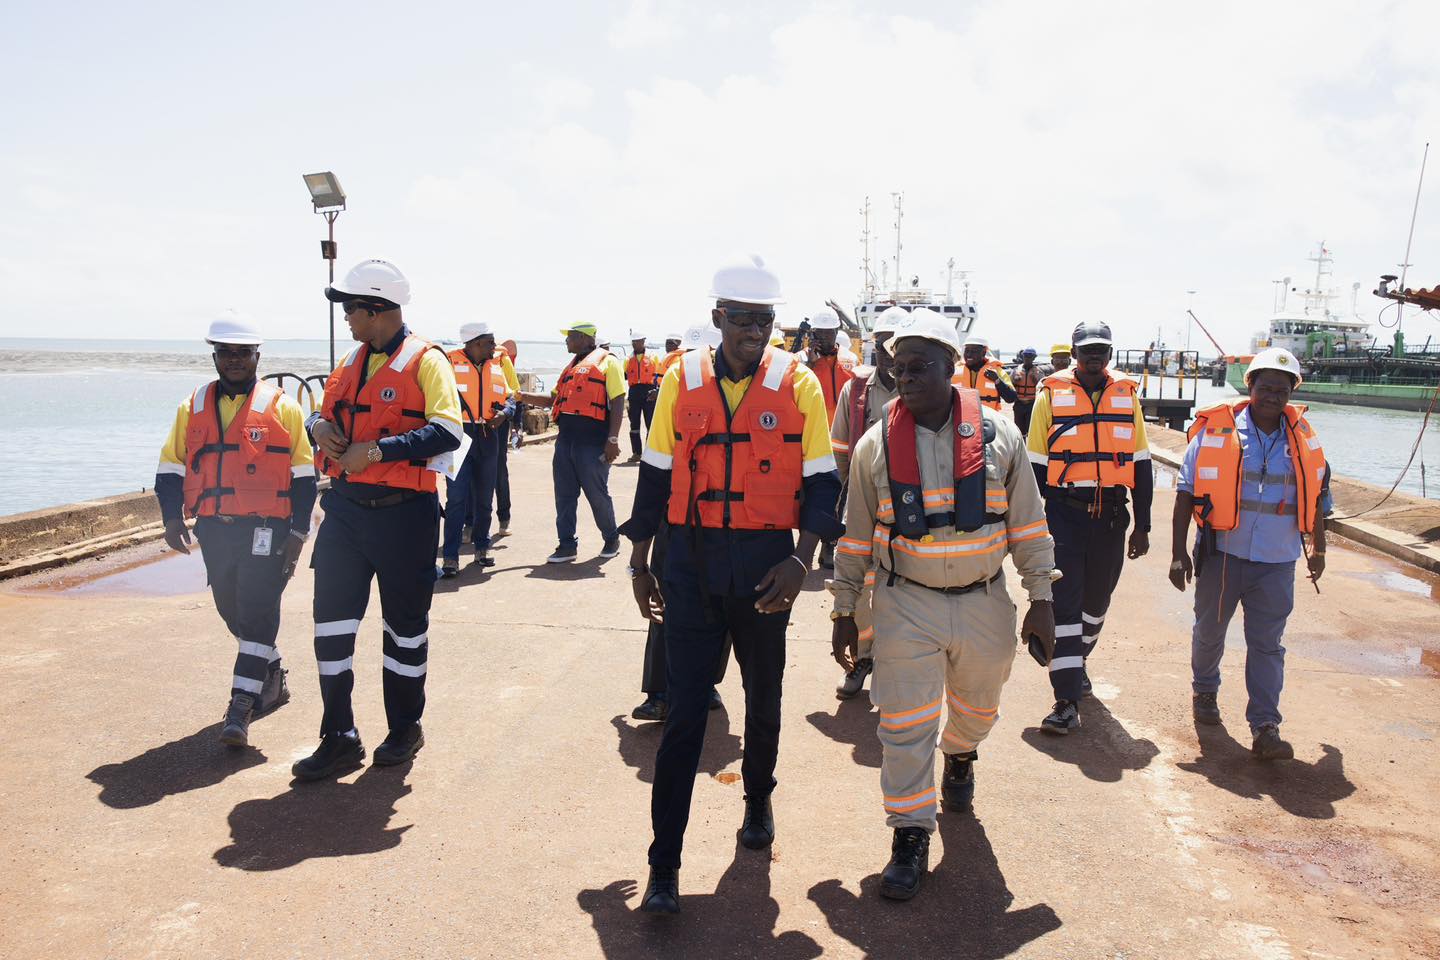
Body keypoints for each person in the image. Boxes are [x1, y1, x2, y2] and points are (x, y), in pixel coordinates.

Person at [620, 254, 843, 914]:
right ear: (718, 319)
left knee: (763, 697)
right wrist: (640, 563)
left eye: (766, 322)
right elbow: (655, 480)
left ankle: (758, 798)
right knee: (685, 713)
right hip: (689, 563)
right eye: (744, 321)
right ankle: (664, 865)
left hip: (766, 564)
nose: (756, 333)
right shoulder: (678, 381)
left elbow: (822, 484)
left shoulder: (799, 383)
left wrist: (803, 560)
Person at [830, 309, 1056, 901]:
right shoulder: (874, 448)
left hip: (984, 600)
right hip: (906, 602)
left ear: (952, 368)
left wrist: (1042, 598)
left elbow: (1029, 525)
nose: (905, 376)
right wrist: (844, 610)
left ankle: (961, 754)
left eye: (919, 366)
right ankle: (909, 835)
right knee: (903, 725)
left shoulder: (1001, 436)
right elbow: (854, 537)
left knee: (978, 710)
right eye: (896, 367)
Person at [294, 258, 463, 780]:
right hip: (345, 514)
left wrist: (377, 452)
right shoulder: (351, 359)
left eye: (351, 309)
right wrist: (317, 425)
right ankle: (339, 736)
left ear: (377, 309)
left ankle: (404, 728)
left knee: (405, 632)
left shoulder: (427, 361)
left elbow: (448, 431)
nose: (345, 318)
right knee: (330, 627)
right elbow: (321, 414)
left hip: (404, 517)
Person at [154, 312, 316, 748]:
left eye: (242, 353)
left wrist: (298, 533)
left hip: (268, 528)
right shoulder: (192, 406)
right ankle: (273, 673)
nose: (234, 361)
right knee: (233, 611)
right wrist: (172, 517)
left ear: (256, 356)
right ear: (216, 357)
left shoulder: (282, 406)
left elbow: (304, 475)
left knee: (259, 610)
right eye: (225, 353)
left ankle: (240, 705)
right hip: (215, 528)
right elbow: (170, 465)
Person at [1170, 347, 1329, 760]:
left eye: (1282, 389)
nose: (1273, 396)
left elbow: (1318, 499)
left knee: (1268, 645)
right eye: (1266, 387)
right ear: (1250, 386)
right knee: (1210, 632)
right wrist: (1177, 553)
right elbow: (1186, 492)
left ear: (1291, 393)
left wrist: (1319, 549)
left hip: (1277, 560)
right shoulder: (1215, 433)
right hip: (1224, 553)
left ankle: (1265, 725)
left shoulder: (1304, 439)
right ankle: (1205, 691)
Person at [1026, 321, 1152, 734]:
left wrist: (1143, 525)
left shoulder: (1127, 397)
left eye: (1101, 350)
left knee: (1097, 603)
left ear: (1110, 355)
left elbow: (1141, 463)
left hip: (1113, 516)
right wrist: (1032, 526)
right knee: (1065, 602)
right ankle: (1065, 699)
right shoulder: (1050, 394)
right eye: (1086, 350)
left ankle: (1075, 658)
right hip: (1065, 513)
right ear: (1076, 354)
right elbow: (1035, 467)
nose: (1093, 357)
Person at [828, 305, 905, 699]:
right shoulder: (855, 389)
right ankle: (863, 658)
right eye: (881, 343)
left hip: (911, 514)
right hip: (863, 509)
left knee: (907, 587)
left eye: (894, 344)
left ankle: (898, 666)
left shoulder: (923, 387)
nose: (887, 352)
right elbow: (840, 447)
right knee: (857, 589)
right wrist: (854, 491)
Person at [517, 322, 627, 563]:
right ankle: (567, 545)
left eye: (571, 337)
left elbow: (618, 400)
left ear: (586, 338)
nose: (567, 341)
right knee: (564, 496)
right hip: (565, 441)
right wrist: (522, 395)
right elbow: (552, 400)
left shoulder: (609, 363)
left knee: (597, 495)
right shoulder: (570, 369)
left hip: (593, 442)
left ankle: (611, 538)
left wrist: (613, 439)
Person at [440, 321, 515, 577]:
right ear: (475, 343)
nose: (495, 346)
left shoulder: (497, 365)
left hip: (488, 435)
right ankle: (450, 557)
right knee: (457, 498)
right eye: (490, 342)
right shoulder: (448, 363)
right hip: (459, 435)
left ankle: (482, 548)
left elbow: (510, 397)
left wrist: (505, 413)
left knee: (485, 498)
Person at [492, 338, 522, 540]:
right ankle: (470, 523)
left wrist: (516, 427)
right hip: (472, 425)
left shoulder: (503, 361)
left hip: (499, 423)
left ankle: (504, 519)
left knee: (499, 472)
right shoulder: (462, 362)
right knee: (469, 476)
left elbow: (515, 394)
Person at [806, 307, 856, 421]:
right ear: (813, 333)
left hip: (843, 427)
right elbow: (795, 389)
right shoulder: (801, 358)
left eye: (828, 332)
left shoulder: (852, 359)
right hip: (814, 425)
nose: (824, 336)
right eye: (819, 331)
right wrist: (810, 363)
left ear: (836, 331)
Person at [952, 335, 1017, 411]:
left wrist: (997, 381)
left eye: (973, 351)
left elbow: (1011, 398)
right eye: (967, 350)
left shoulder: (998, 371)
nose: (969, 354)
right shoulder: (954, 371)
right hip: (962, 417)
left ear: (984, 352)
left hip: (987, 419)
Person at [624, 331, 660, 463]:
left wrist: (657, 391)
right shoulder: (628, 358)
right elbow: (623, 375)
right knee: (634, 424)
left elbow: (659, 375)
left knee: (650, 423)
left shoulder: (653, 357)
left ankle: (649, 453)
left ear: (643, 341)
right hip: (634, 392)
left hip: (649, 391)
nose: (635, 344)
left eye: (638, 341)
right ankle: (636, 453)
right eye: (633, 342)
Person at [1009, 347, 1050, 436]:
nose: (1027, 358)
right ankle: (1022, 447)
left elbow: (1042, 387)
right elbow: (1009, 386)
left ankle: (1030, 447)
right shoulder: (1016, 371)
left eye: (1030, 356)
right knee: (1019, 429)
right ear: (1022, 357)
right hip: (1019, 404)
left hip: (1032, 404)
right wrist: (1014, 381)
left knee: (1032, 429)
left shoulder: (1038, 371)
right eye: (1025, 355)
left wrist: (1035, 380)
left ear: (1034, 357)